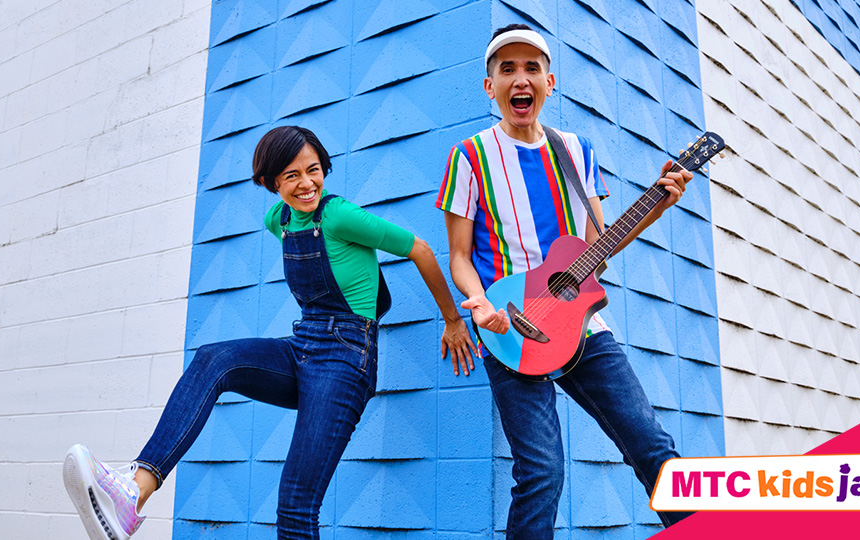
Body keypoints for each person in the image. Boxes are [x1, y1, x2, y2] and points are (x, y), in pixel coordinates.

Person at [63, 126, 478, 540]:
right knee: (214, 358)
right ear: (270, 181)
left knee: (296, 503)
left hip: (346, 359)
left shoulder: (339, 215)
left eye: (313, 170)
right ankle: (134, 494)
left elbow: (420, 248)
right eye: (291, 175)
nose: (306, 183)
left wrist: (453, 320)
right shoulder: (277, 220)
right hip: (303, 347)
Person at [436, 24, 694, 537]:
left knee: (654, 448)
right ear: (490, 87)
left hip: (582, 324)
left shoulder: (576, 150)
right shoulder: (470, 156)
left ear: (549, 82)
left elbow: (601, 240)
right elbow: (459, 256)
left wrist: (658, 206)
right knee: (542, 472)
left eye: (531, 68)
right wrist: (479, 303)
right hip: (511, 327)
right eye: (506, 69)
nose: (519, 78)